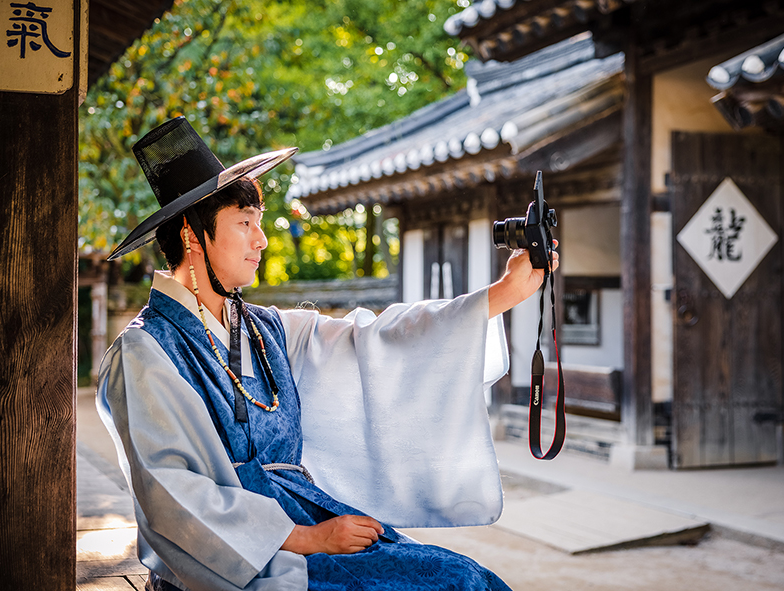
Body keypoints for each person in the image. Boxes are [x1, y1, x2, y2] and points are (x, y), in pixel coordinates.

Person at [96, 117, 558, 591]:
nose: (262, 240)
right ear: (193, 235)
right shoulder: (144, 352)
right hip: (239, 558)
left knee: (465, 576)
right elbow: (169, 494)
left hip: (307, 518)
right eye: (244, 223)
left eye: (258, 223)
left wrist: (500, 296)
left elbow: (374, 340)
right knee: (454, 584)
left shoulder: (265, 330)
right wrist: (305, 538)